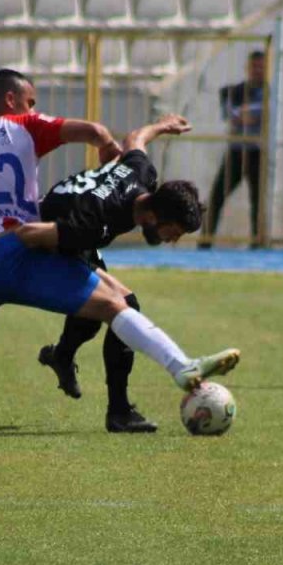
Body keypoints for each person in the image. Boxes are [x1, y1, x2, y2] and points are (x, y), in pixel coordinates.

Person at [0, 70, 239, 431]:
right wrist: (105, 144)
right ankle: (181, 366)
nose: (34, 108)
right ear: (11, 100)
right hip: (16, 250)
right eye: (30, 101)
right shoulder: (27, 127)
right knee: (114, 305)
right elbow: (91, 129)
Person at [24, 113, 205, 433]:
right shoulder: (98, 216)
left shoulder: (142, 174)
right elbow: (37, 233)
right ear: (153, 215)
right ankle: (118, 411)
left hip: (76, 238)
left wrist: (163, 126)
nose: (172, 240)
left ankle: (63, 356)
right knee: (122, 308)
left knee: (99, 315)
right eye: (172, 231)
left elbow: (135, 138)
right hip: (54, 240)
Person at [201, 50, 266, 248]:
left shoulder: (271, 91)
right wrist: (254, 112)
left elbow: (263, 114)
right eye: (255, 66)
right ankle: (205, 241)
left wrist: (250, 113)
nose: (258, 71)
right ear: (248, 68)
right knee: (217, 196)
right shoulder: (235, 91)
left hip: (257, 152)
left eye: (262, 67)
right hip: (237, 151)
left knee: (258, 201)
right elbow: (235, 115)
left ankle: (257, 243)